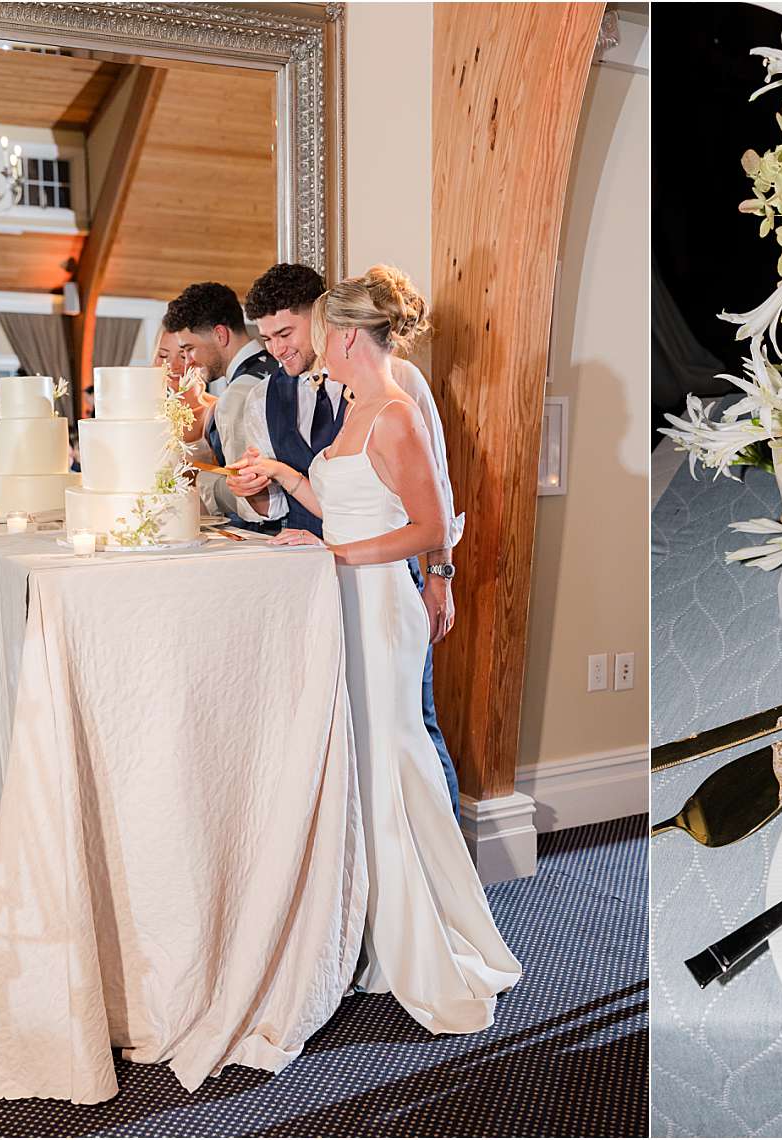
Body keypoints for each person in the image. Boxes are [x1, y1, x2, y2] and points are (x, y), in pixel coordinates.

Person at [235, 267, 520, 1030]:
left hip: (381, 604)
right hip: (348, 598)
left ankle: (427, 937)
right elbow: (350, 503)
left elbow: (426, 527)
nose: (317, 344)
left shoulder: (395, 410)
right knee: (364, 758)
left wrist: (344, 555)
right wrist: (293, 485)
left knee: (394, 755)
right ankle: (374, 924)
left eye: (323, 329)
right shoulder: (358, 407)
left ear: (348, 334)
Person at [234, 262, 462, 819]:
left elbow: (433, 507)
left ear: (334, 328)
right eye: (267, 339)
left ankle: (441, 866)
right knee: (357, 739)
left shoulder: (397, 391)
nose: (282, 349)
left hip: (387, 583)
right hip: (335, 588)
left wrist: (439, 577)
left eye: (289, 334)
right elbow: (341, 498)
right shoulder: (287, 397)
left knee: (407, 731)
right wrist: (278, 479)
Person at [162, 282, 276, 525]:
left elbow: (251, 499)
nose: (189, 361)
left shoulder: (237, 394)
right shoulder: (276, 367)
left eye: (190, 349)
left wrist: (198, 479)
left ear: (220, 334)